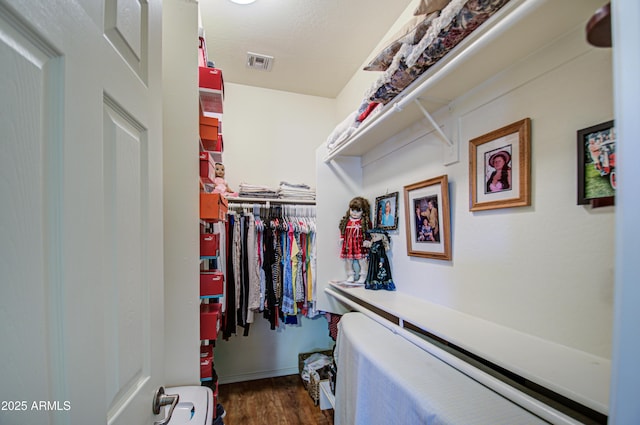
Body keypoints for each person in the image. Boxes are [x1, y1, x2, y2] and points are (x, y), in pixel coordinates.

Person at [339, 197, 371, 283]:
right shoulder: (347, 221)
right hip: (348, 244)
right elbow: (343, 230)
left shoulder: (364, 222)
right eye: (352, 210)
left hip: (360, 244)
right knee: (348, 260)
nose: (354, 213)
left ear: (363, 211)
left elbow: (368, 232)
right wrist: (342, 237)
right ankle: (350, 275)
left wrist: (367, 240)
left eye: (358, 211)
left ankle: (363, 275)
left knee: (362, 260)